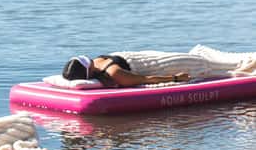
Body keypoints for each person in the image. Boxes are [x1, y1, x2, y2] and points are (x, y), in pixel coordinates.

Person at [59, 45, 256, 87]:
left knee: (222, 66)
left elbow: (144, 79)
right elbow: (144, 78)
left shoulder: (109, 69)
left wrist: (176, 78)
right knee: (219, 67)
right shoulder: (107, 66)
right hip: (163, 62)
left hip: (165, 61)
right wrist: (175, 78)